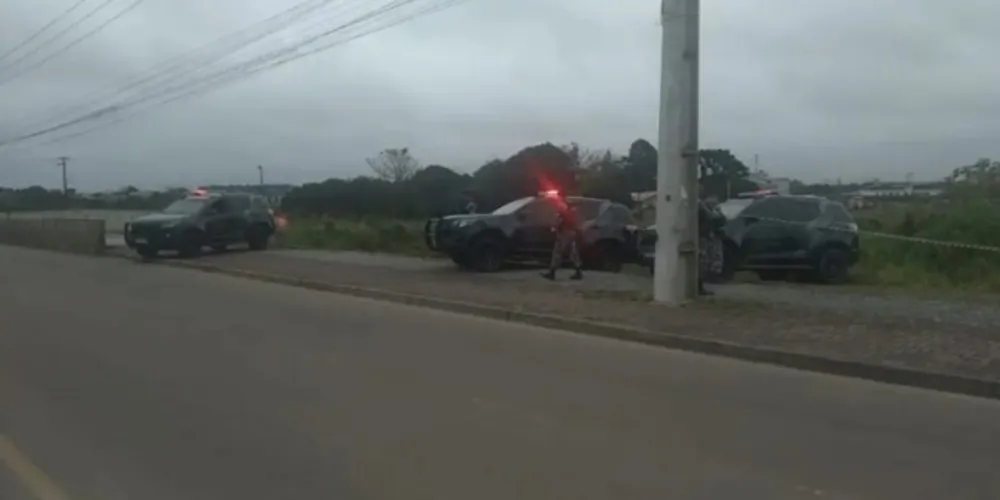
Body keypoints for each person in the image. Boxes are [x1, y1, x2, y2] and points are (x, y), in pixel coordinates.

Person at [541, 198, 583, 281]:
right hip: (571, 233)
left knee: (557, 252)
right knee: (572, 253)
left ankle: (552, 272)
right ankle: (578, 271)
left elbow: (559, 223)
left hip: (564, 233)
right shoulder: (573, 212)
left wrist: (555, 228)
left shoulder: (565, 213)